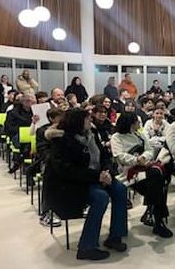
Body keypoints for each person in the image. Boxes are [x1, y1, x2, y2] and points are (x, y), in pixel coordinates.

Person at [47, 108, 128, 260]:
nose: (90, 121)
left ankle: (115, 237)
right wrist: (98, 176)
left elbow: (104, 156)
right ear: (78, 122)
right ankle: (86, 247)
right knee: (101, 197)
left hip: (98, 176)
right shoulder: (62, 140)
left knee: (120, 189)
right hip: (73, 183)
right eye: (87, 119)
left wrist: (106, 171)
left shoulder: (92, 134)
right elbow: (67, 170)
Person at [110, 112, 173, 238]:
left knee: (158, 176)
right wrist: (137, 160)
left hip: (145, 168)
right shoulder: (116, 137)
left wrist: (144, 157)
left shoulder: (139, 135)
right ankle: (156, 218)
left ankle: (153, 213)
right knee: (157, 184)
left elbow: (149, 149)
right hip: (128, 171)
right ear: (130, 123)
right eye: (137, 122)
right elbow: (119, 156)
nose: (140, 124)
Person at [35, 107, 65, 227]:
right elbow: (42, 151)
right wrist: (54, 160)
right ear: (52, 119)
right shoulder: (42, 131)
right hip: (49, 162)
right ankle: (46, 212)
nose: (62, 119)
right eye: (59, 117)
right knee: (50, 176)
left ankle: (79, 205)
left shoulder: (66, 130)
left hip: (65, 161)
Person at [4, 94, 36, 173]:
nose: (33, 103)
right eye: (30, 101)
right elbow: (9, 128)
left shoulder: (36, 112)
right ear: (24, 102)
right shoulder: (13, 113)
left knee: (32, 143)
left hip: (33, 134)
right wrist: (23, 131)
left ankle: (20, 163)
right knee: (26, 142)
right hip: (17, 135)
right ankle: (27, 167)